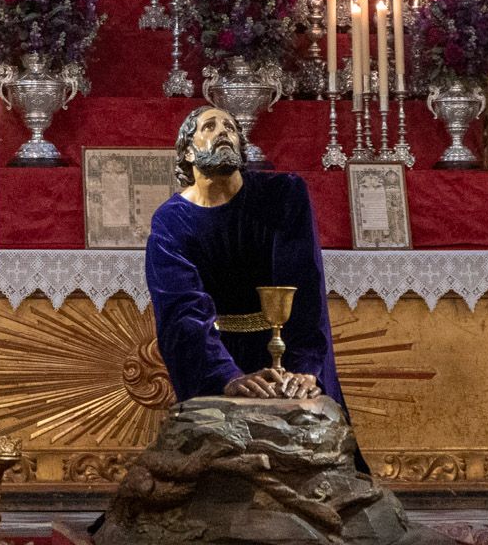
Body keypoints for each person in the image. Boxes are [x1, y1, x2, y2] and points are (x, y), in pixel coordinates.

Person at [144, 107, 341, 403]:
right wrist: (225, 376)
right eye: (209, 126)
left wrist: (305, 369)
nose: (223, 131)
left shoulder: (283, 195)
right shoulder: (172, 221)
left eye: (230, 128)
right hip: (216, 358)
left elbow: (305, 288)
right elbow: (182, 312)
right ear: (187, 153)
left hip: (287, 349)